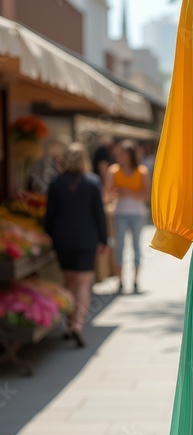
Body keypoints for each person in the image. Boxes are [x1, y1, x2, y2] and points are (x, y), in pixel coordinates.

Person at [44, 142, 108, 347]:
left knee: (69, 281)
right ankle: (78, 324)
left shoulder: (55, 182)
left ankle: (68, 322)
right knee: (83, 282)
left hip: (63, 239)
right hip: (86, 238)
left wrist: (49, 236)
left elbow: (50, 216)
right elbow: (99, 213)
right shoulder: (92, 182)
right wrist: (104, 239)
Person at [104, 138, 151, 293]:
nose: (120, 157)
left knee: (137, 247)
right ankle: (120, 281)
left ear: (131, 155)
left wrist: (129, 192)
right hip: (120, 213)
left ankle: (136, 281)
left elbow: (147, 195)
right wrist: (115, 193)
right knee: (120, 248)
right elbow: (106, 195)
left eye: (123, 154)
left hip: (138, 214)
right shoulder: (113, 171)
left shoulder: (142, 171)